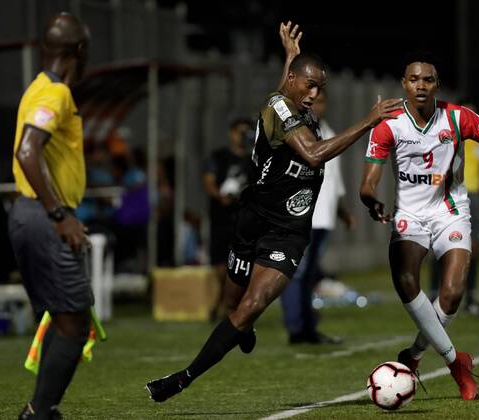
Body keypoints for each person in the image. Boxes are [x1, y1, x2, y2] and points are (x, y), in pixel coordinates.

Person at [145, 21, 402, 403]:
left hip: (289, 232)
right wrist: (368, 120)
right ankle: (241, 329)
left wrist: (289, 57)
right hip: (253, 220)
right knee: (233, 307)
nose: (315, 95)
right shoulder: (280, 107)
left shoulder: (292, 101)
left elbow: (290, 96)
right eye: (310, 86)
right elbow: (313, 153)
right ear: (296, 81)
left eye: (321, 89)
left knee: (249, 308)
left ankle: (183, 378)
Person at [359, 52, 479, 400]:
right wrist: (370, 200)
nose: (421, 85)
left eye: (428, 80)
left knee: (452, 294)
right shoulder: (388, 123)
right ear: (404, 84)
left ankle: (415, 355)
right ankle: (457, 363)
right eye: (414, 79)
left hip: (450, 211)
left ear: (436, 85)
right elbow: (368, 182)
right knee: (405, 280)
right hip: (409, 215)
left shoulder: (458, 118)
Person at [8, 13, 92, 419]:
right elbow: (28, 151)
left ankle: (41, 410)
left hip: (33, 214)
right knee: (74, 320)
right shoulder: (54, 93)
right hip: (42, 216)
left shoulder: (38, 88)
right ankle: (39, 413)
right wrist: (60, 215)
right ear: (80, 50)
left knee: (66, 318)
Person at [280, 89, 355, 344]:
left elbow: (335, 180)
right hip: (303, 217)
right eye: (313, 102)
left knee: (310, 275)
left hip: (324, 217)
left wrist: (343, 211)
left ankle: (308, 328)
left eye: (322, 101)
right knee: (297, 273)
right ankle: (296, 328)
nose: (317, 107)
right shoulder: (297, 133)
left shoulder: (329, 132)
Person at [430, 101, 479, 315]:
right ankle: (433, 296)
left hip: (473, 196)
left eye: (472, 113)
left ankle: (470, 298)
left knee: (473, 248)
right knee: (438, 245)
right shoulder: (445, 134)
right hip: (448, 193)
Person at [202, 117, 254, 321]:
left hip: (242, 219)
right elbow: (208, 180)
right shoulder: (219, 156)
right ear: (231, 133)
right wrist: (219, 195)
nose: (241, 136)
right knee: (219, 266)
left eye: (246, 132)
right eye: (238, 131)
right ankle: (221, 302)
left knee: (238, 265)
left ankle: (226, 305)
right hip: (221, 218)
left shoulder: (254, 160)